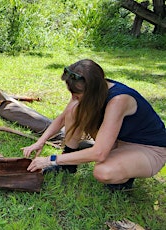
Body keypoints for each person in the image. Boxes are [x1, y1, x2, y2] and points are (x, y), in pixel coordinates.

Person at [22, 59, 166, 191]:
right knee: (73, 110)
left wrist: (51, 159)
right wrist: (40, 142)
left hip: (148, 149)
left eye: (76, 94)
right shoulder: (95, 89)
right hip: (118, 141)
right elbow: (62, 118)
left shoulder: (119, 100)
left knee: (103, 171)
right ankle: (68, 165)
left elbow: (99, 153)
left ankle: (124, 178)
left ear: (92, 90)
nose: (73, 98)